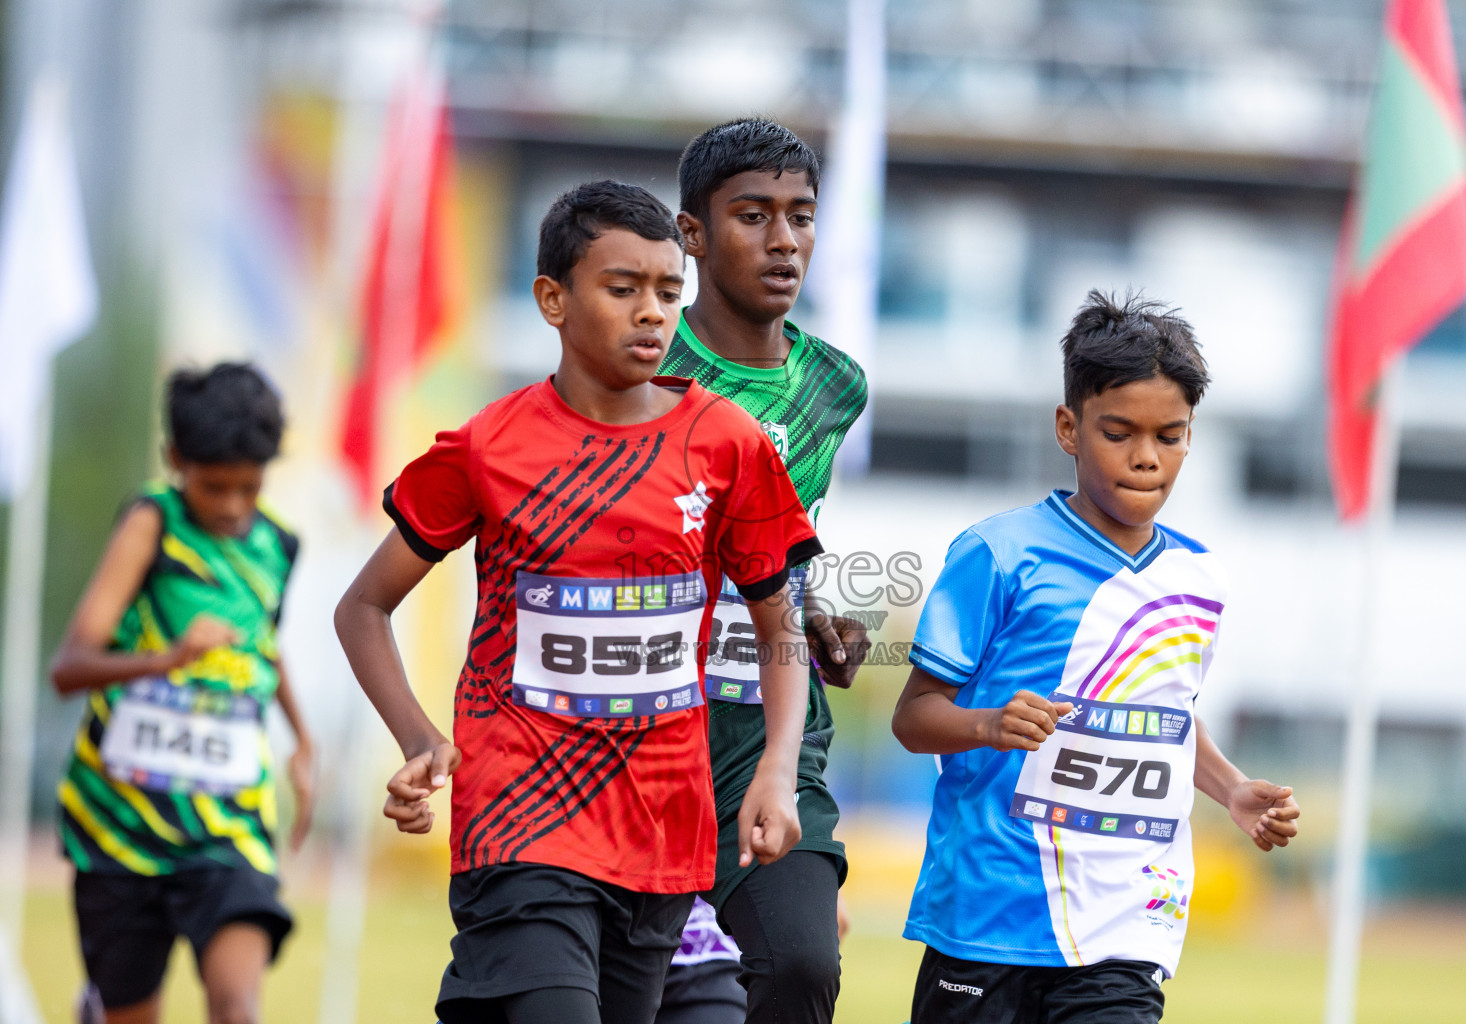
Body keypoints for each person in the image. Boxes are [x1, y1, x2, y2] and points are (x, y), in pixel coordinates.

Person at [332, 180, 821, 1024]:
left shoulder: (728, 445)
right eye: (622, 288)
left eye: (669, 292)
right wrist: (419, 738)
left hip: (665, 832)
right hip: (519, 818)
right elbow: (362, 607)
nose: (651, 314)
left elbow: (782, 625)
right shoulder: (488, 449)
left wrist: (776, 771)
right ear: (552, 300)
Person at [891, 291, 1301, 1024]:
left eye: (1170, 436)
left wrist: (1232, 789)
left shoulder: (1199, 580)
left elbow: (1165, 719)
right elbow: (914, 718)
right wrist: (988, 725)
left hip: (1125, 924)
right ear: (1069, 429)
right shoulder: (997, 554)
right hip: (989, 917)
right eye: (1119, 433)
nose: (1147, 457)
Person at [653, 117, 869, 1024]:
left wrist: (812, 612)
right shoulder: (650, 371)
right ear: (692, 234)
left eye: (801, 215)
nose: (784, 241)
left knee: (799, 968)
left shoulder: (835, 384)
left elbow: (787, 537)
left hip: (767, 725)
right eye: (753, 215)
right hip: (641, 727)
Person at [50, 363, 315, 1024]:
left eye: (248, 488)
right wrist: (169, 657)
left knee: (236, 1006)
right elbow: (70, 666)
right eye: (213, 486)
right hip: (124, 823)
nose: (230, 506)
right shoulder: (153, 523)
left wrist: (304, 742)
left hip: (227, 820)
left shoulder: (276, 546)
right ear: (175, 459)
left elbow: (262, 649)